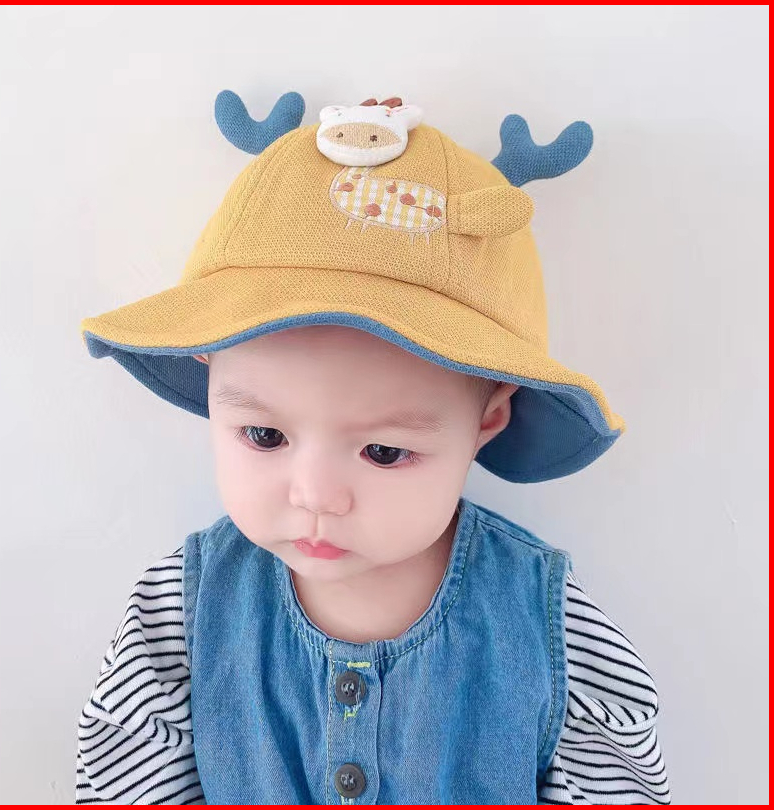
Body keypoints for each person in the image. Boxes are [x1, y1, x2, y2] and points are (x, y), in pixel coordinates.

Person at [75, 92, 671, 804]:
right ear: (208, 375)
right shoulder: (180, 611)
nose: (316, 496)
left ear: (489, 418)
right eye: (265, 435)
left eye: (384, 452)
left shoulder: (544, 620)